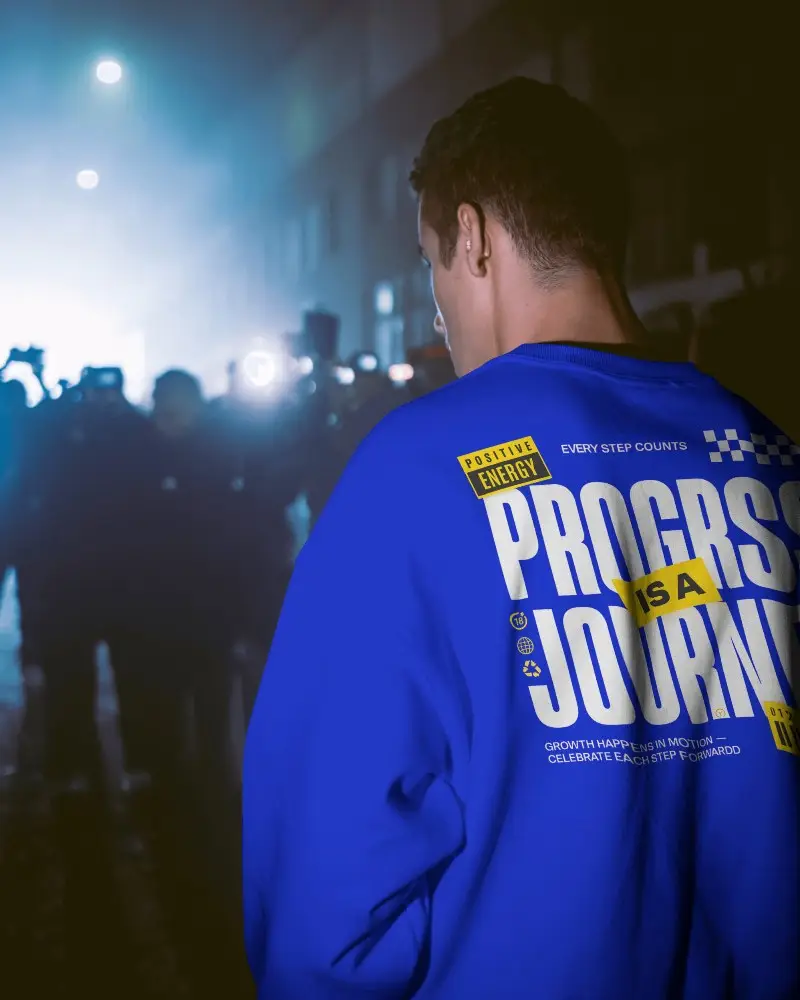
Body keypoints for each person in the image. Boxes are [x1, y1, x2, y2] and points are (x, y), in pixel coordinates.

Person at [243, 77, 799, 999]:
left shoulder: (416, 473)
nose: (434, 311)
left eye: (430, 264)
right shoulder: (771, 456)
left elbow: (330, 871)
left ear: (473, 236)